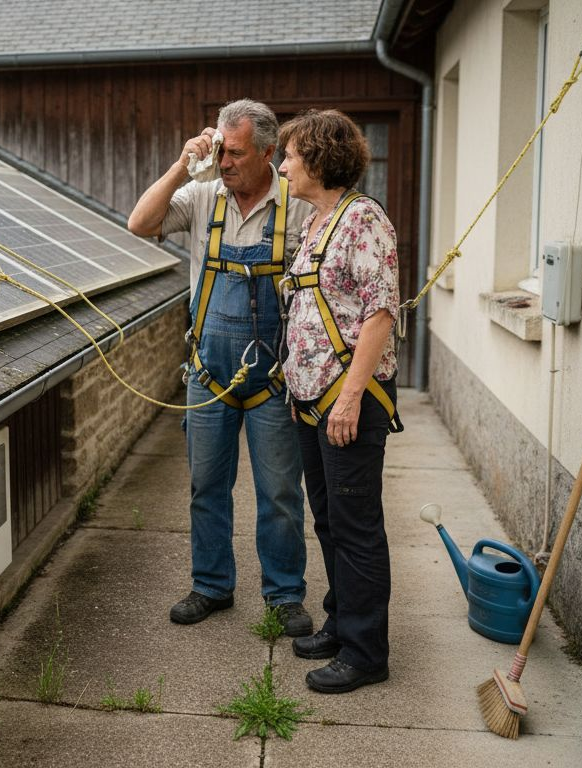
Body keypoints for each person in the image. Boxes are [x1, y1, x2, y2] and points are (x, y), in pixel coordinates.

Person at [128, 99, 313, 636]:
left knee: (280, 492)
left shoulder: (297, 205)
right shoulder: (203, 196)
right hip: (208, 375)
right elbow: (140, 222)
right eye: (220, 151)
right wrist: (183, 163)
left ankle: (284, 595)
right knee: (206, 487)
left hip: (273, 381)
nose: (225, 162)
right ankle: (211, 585)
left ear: (267, 153)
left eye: (235, 153)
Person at [277, 109, 402, 693]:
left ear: (320, 159)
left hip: (348, 401)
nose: (283, 165)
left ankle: (365, 652)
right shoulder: (315, 222)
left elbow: (380, 316)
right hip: (310, 401)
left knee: (356, 527)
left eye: (291, 156)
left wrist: (349, 398)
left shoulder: (363, 221)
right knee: (327, 520)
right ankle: (340, 620)